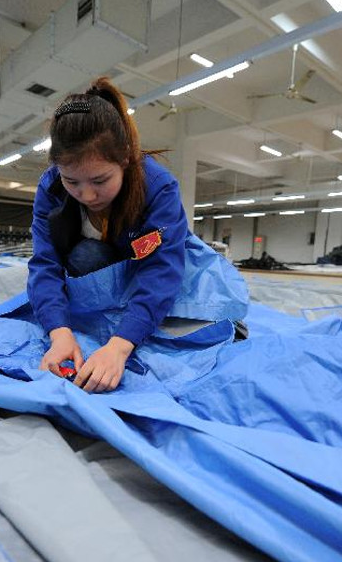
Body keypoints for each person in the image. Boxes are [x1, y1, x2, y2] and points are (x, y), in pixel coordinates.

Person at [27, 76, 246, 394]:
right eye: (72, 182)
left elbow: (161, 271)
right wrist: (59, 333)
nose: (87, 195)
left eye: (100, 180)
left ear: (125, 159)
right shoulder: (50, 188)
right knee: (86, 257)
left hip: (151, 264)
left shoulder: (158, 187)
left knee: (197, 305)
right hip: (102, 267)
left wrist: (120, 345)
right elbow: (45, 264)